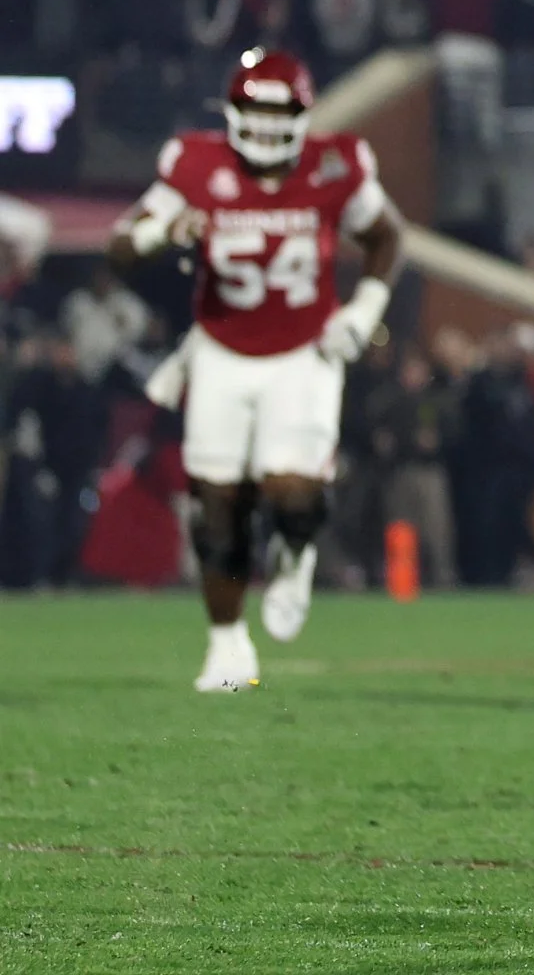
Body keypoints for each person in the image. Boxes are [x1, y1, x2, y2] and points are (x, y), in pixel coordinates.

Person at [107, 48, 404, 692]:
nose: (267, 128)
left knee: (293, 493)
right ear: (232, 113)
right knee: (216, 505)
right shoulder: (195, 162)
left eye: (279, 114)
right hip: (220, 348)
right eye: (256, 112)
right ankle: (227, 647)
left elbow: (386, 236)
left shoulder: (335, 163)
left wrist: (364, 310)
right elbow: (121, 246)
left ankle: (296, 551)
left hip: (303, 350)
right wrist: (163, 233)